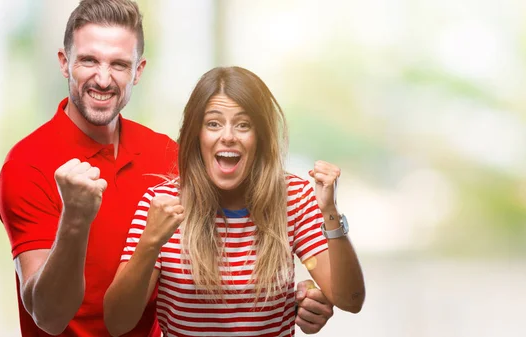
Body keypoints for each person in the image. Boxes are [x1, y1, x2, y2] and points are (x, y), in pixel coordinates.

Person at [0, 1, 334, 336]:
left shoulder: (167, 155)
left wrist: (292, 293)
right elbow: (48, 317)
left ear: (138, 71)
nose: (102, 78)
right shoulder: (27, 165)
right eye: (88, 60)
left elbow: (233, 246)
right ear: (64, 62)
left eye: (118, 64)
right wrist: (75, 218)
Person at [104, 66, 366, 337]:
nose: (228, 136)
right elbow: (117, 323)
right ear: (197, 135)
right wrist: (150, 243)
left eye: (243, 124)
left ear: (260, 137)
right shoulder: (162, 204)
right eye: (213, 123)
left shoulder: (294, 198)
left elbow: (351, 299)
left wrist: (330, 212)